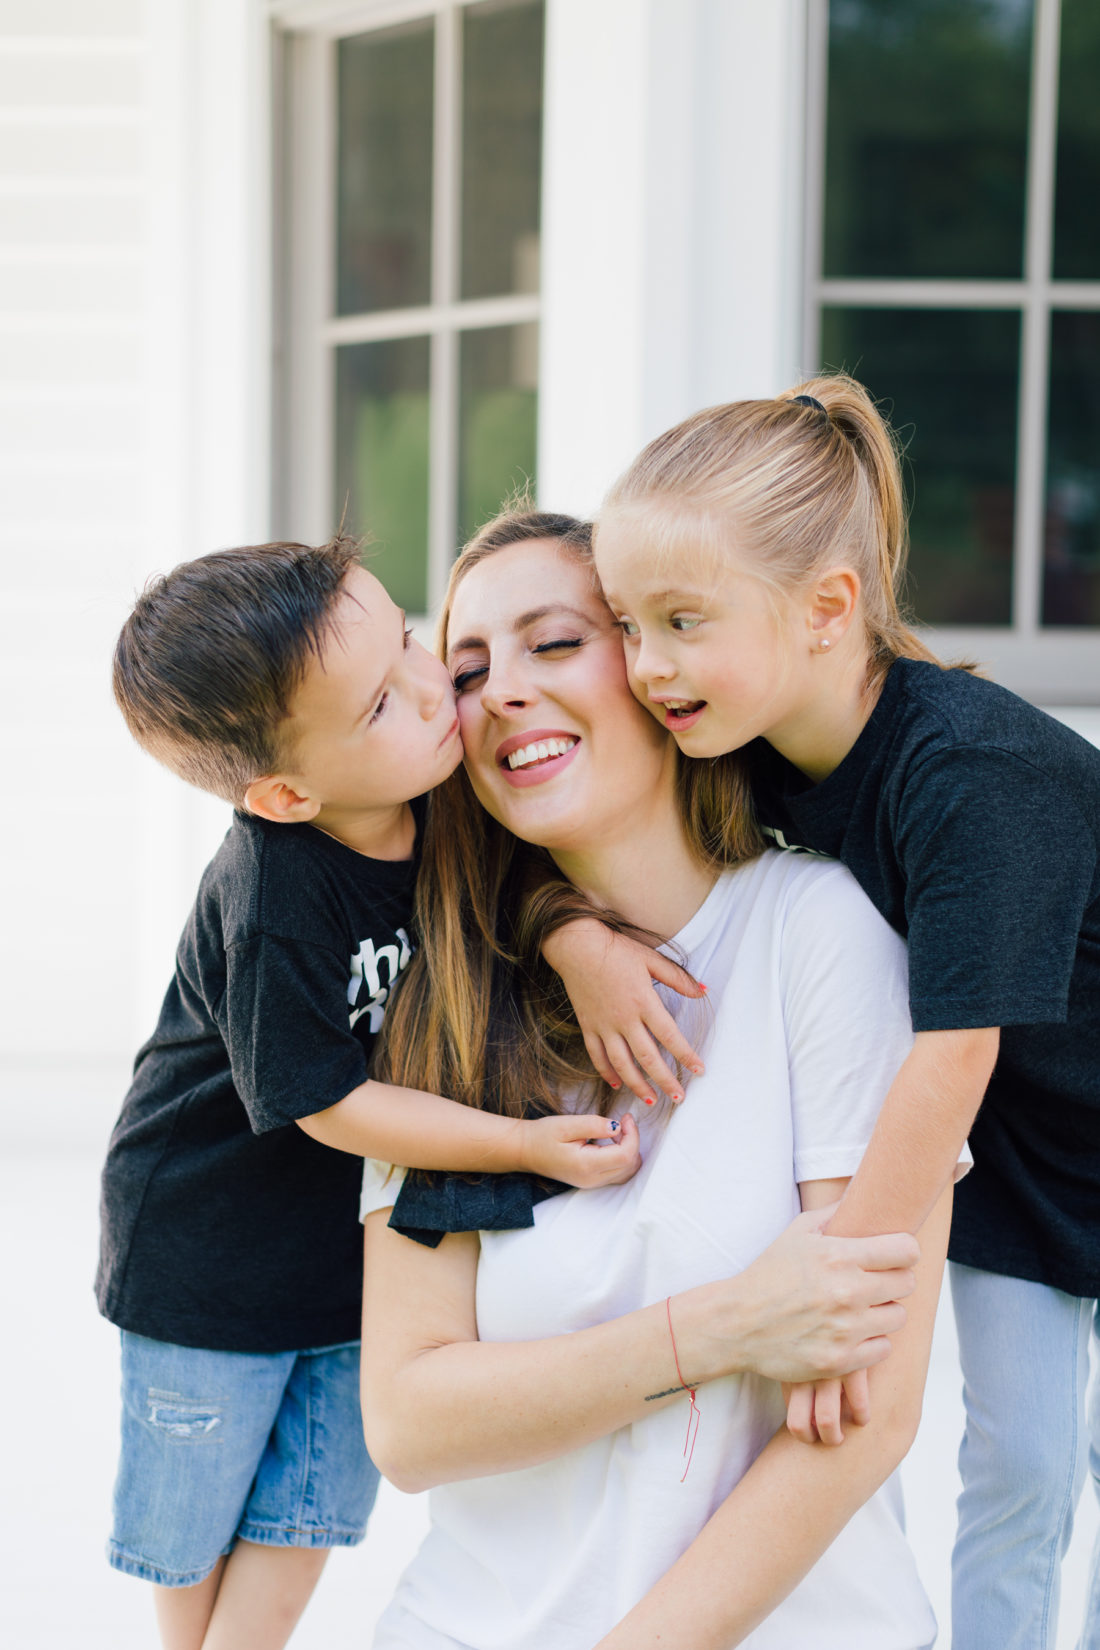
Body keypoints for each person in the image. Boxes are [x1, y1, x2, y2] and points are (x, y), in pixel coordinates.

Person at [357, 510, 956, 1649]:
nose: (502, 693)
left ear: (654, 670)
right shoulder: (444, 1004)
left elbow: (862, 1419)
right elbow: (407, 1421)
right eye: (467, 670)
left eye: (555, 643)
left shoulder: (820, 932)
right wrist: (725, 1327)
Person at [582, 376, 1100, 1650]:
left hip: (991, 1095)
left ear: (826, 609)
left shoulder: (971, 770)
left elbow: (950, 1049)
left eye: (681, 622)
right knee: (1019, 1465)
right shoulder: (742, 744)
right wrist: (570, 933)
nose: (645, 667)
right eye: (627, 626)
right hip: (1017, 1154)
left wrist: (832, 1308)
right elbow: (591, 846)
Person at [96, 538, 643, 1650]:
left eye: (404, 636)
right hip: (203, 1252)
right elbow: (328, 1103)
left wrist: (580, 940)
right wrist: (521, 1146)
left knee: (302, 1518)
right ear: (288, 792)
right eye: (381, 704)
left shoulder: (434, 787)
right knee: (195, 1532)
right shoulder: (272, 893)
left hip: (340, 1254)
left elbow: (519, 880)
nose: (434, 687)